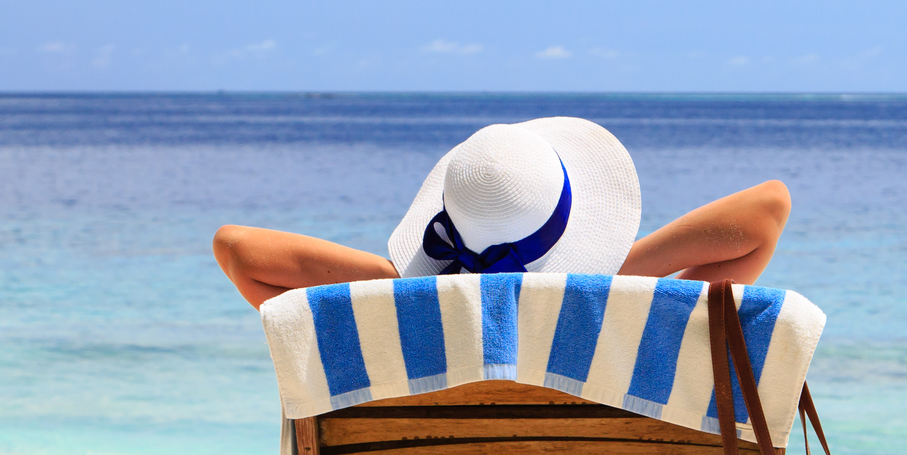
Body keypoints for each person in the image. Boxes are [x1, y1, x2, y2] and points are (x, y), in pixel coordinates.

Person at [211, 115, 790, 308]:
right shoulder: (618, 318)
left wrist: (398, 282)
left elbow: (235, 247)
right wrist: (617, 269)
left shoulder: (399, 324)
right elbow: (769, 207)